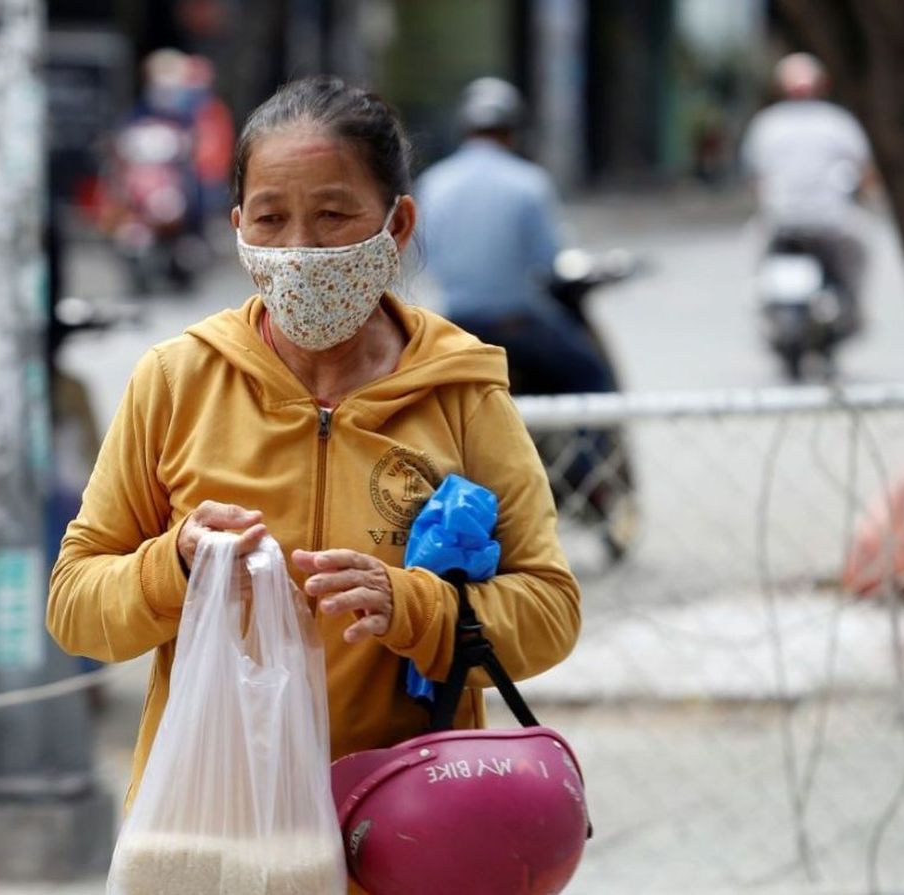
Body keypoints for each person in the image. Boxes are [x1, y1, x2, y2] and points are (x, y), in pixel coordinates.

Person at [46, 76, 581, 864]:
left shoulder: (462, 389)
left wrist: (415, 607)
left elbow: (549, 609)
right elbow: (74, 605)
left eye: (333, 215)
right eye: (271, 217)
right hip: (216, 842)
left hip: (408, 844)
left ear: (397, 224)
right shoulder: (175, 379)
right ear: (237, 228)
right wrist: (176, 566)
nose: (300, 247)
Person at [414, 76, 614, 396]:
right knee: (591, 375)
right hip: (519, 326)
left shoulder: (433, 183)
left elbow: (424, 257)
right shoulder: (529, 182)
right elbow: (550, 260)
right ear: (512, 132)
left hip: (454, 326)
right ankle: (592, 448)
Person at [742, 52, 874, 327]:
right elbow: (864, 172)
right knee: (861, 248)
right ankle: (855, 307)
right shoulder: (838, 122)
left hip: (783, 219)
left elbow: (754, 177)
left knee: (753, 245)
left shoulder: (767, 124)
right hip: (829, 220)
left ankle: (764, 307)